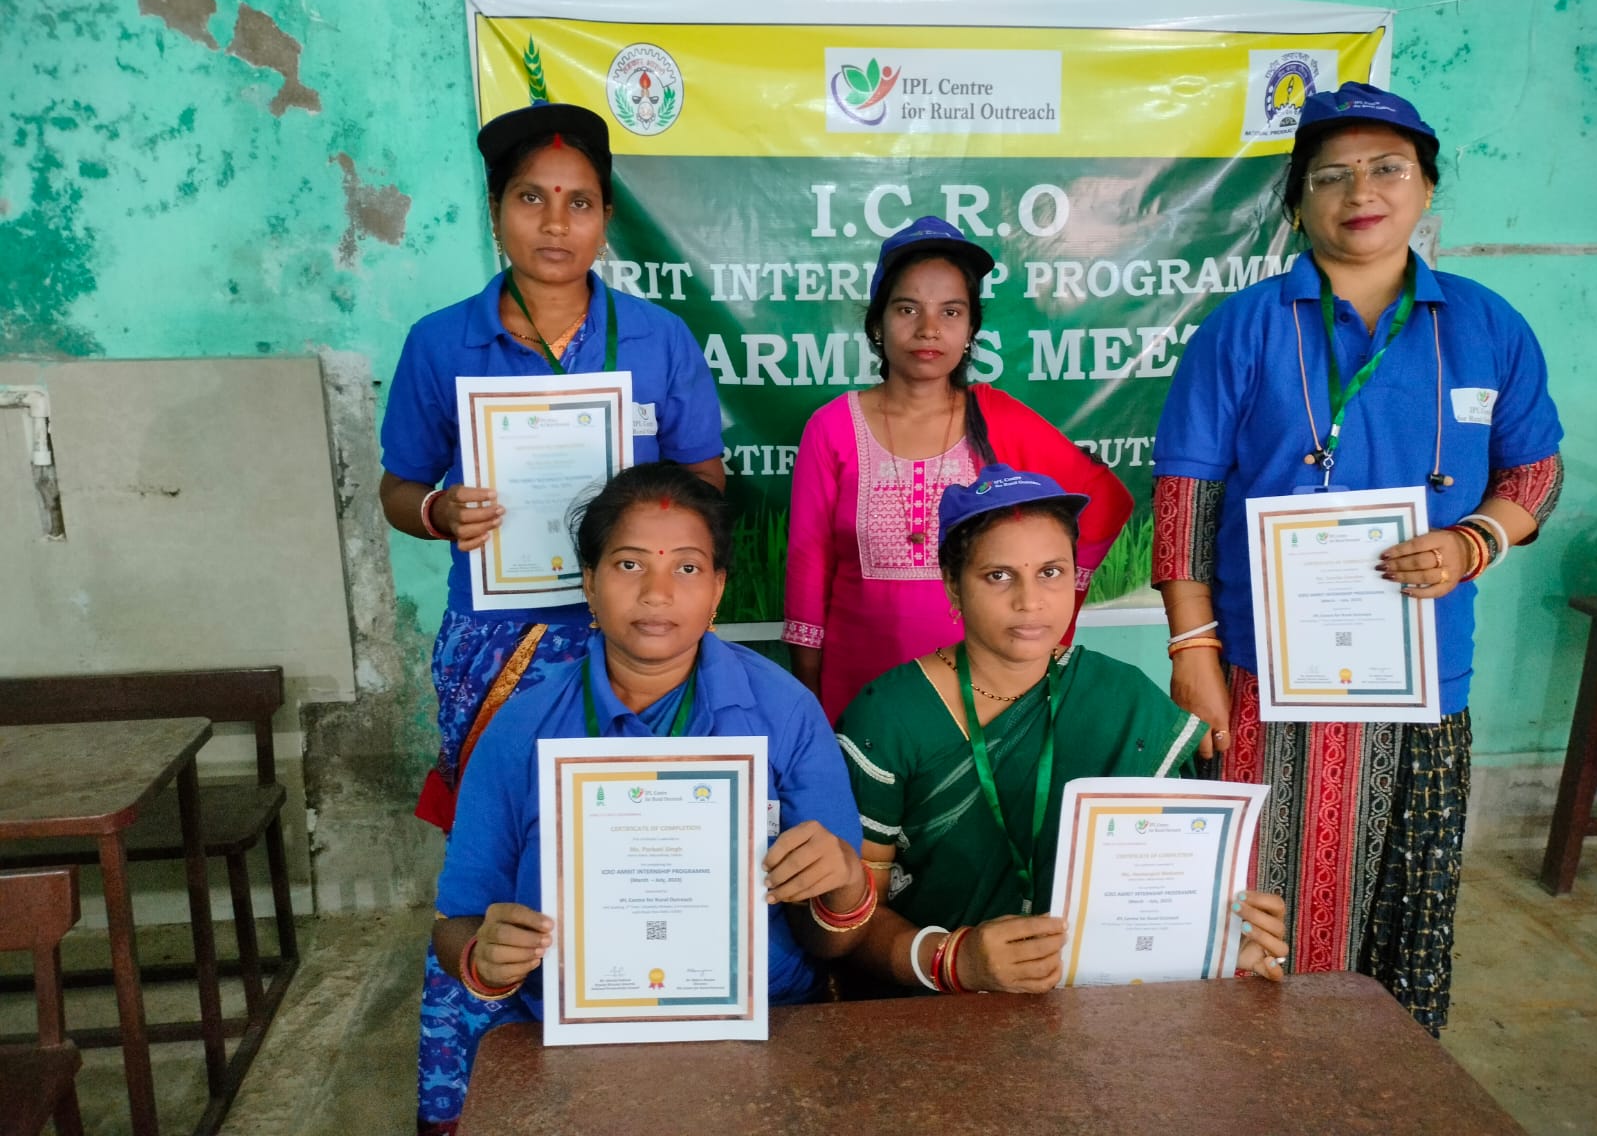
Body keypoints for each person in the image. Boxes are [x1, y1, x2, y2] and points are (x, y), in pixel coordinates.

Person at [1151, 81, 1564, 1034]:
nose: (1359, 191)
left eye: (1387, 169)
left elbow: (1535, 472)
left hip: (1421, 681)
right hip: (1260, 674)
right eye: (1330, 175)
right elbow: (1186, 496)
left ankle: (1388, 1087)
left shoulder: (1486, 325)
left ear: (1426, 190)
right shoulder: (1245, 327)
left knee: (1404, 904)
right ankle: (1243, 1087)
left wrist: (1476, 539)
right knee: (1249, 905)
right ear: (1299, 202)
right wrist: (1192, 652)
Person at [378, 102, 724, 1133]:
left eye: (578, 202)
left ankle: (634, 1010)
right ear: (496, 211)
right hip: (499, 640)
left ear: (607, 217)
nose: (556, 223)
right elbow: (399, 488)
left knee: (636, 835)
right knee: (505, 847)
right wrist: (438, 512)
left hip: (633, 632)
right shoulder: (442, 343)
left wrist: (649, 506)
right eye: (532, 198)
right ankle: (489, 1074)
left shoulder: (659, 341)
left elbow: (705, 482)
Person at [427, 463, 868, 1131]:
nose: (658, 591)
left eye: (687, 569)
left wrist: (841, 883)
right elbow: (457, 918)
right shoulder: (521, 728)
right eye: (629, 565)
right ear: (589, 585)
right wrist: (484, 957)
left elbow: (832, 942)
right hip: (572, 1037)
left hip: (764, 1029)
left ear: (719, 589)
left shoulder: (784, 713)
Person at [836, 465, 1287, 993]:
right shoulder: (887, 716)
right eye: (998, 575)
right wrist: (955, 961)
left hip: (1098, 1014)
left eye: (1050, 572)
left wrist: (1222, 935)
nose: (1030, 601)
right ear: (953, 588)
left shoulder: (1123, 699)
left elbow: (1164, 882)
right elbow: (850, 922)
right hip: (934, 1021)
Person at [784, 216, 1133, 723]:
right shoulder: (833, 427)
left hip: (984, 691)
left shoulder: (999, 419)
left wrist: (1048, 618)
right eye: (908, 309)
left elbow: (1103, 501)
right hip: (859, 684)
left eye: (951, 311)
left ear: (971, 329)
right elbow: (808, 567)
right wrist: (808, 696)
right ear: (877, 323)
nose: (929, 329)